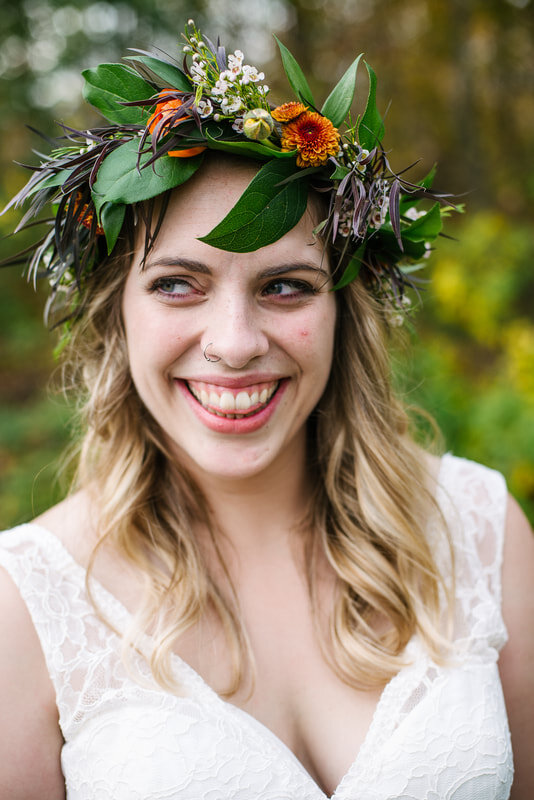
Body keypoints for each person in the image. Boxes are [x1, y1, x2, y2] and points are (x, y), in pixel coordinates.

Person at [0, 20, 533, 800]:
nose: (236, 343)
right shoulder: (26, 605)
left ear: (345, 309)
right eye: (177, 283)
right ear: (118, 312)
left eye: (285, 286)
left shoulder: (479, 526)